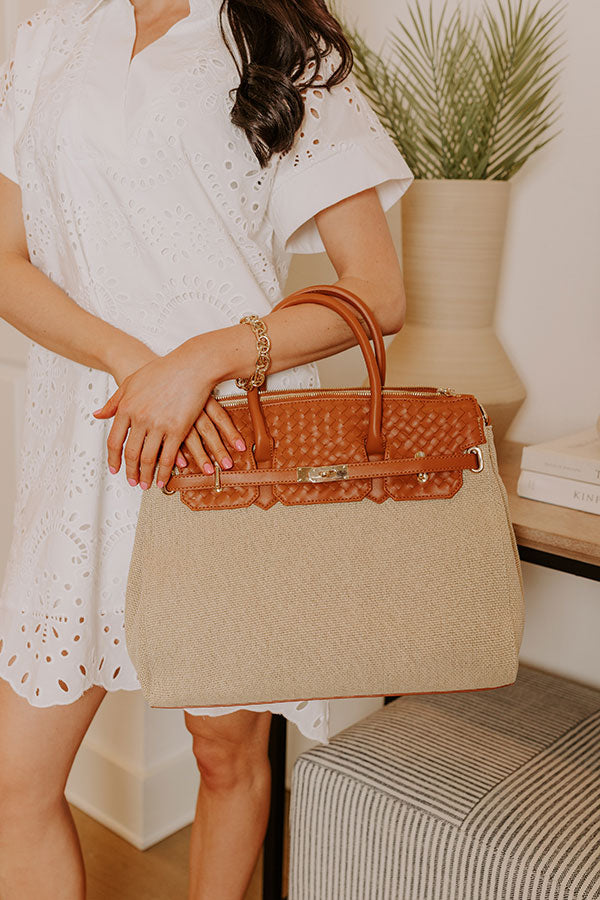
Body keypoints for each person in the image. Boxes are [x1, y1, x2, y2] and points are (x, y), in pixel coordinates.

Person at [0, 0, 414, 896]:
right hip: (87, 451)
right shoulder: (48, 38)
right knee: (14, 784)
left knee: (226, 755)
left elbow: (375, 290)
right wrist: (132, 360)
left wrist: (203, 361)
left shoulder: (280, 39)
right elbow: (5, 259)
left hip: (232, 448)